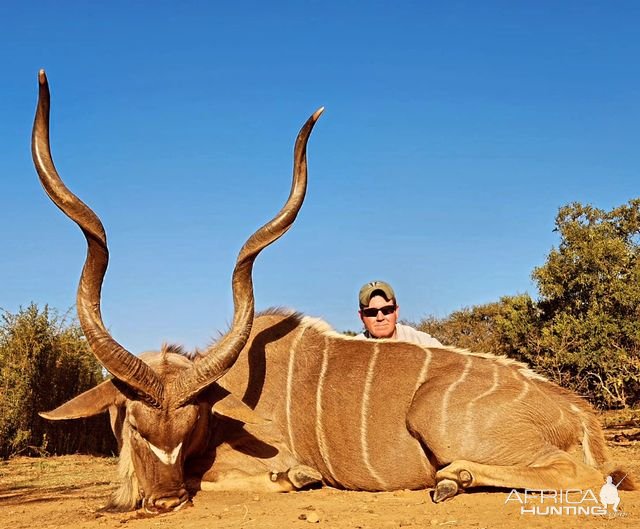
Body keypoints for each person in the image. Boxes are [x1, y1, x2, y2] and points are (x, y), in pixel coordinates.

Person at [356, 280, 443, 346]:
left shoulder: (423, 343)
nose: (380, 318)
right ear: (361, 317)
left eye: (387, 310)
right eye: (371, 312)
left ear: (396, 311)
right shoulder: (353, 350)